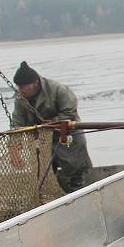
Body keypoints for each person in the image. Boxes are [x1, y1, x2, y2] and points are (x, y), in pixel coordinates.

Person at [11, 61, 92, 192]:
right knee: (42, 175)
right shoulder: (21, 98)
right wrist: (14, 148)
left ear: (35, 83)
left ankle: (78, 189)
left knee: (75, 172)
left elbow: (69, 113)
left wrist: (52, 123)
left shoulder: (58, 89)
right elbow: (16, 123)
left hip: (67, 136)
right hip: (40, 141)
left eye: (23, 86)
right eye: (18, 86)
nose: (20, 90)